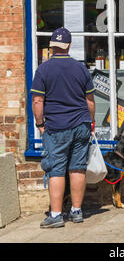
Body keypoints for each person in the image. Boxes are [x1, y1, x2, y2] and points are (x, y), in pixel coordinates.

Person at [31, 27, 96, 228]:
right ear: (68, 45)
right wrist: (91, 123)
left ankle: (56, 214)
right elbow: (90, 100)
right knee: (77, 168)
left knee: (56, 169)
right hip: (81, 124)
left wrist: (40, 124)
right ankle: (76, 211)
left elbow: (37, 101)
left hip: (56, 126)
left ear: (51, 46)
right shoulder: (80, 68)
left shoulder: (43, 69)